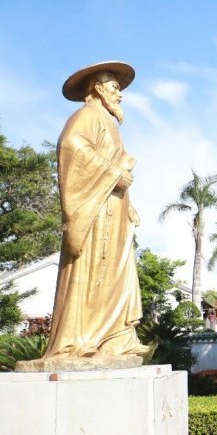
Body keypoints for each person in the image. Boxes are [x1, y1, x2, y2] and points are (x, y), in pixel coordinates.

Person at [44, 61, 149, 360]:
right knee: (94, 272)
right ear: (98, 88)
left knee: (118, 272)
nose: (120, 94)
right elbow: (71, 147)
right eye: (114, 87)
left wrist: (129, 205)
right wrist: (114, 173)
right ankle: (81, 339)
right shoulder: (87, 115)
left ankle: (115, 339)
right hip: (95, 213)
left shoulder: (108, 123)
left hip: (114, 211)